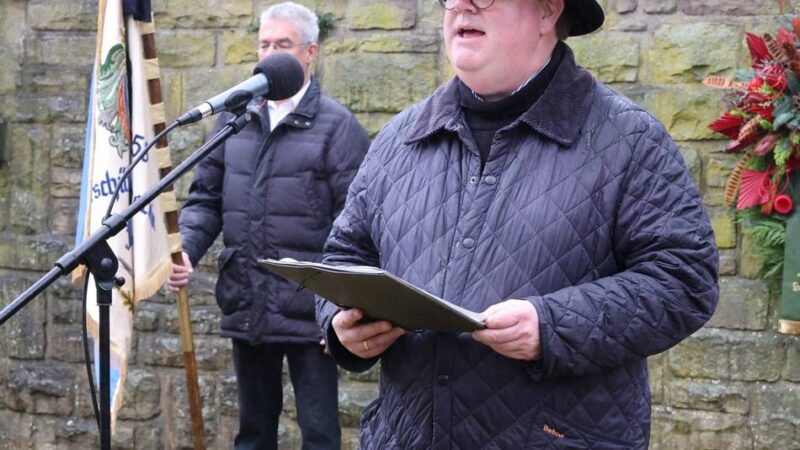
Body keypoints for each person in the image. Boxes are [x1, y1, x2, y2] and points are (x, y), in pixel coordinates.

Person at [315, 0, 719, 448]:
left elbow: (684, 282)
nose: (461, 5)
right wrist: (340, 323)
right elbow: (345, 254)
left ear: (548, 12)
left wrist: (552, 325)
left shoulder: (629, 139)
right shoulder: (400, 138)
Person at [168, 2, 370, 449]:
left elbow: (356, 226)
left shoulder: (338, 127)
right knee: (253, 434)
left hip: (311, 315)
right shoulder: (233, 118)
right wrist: (186, 248)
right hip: (248, 301)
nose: (270, 52)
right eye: (264, 44)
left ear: (310, 52)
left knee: (320, 434)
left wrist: (339, 308)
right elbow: (206, 198)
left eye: (282, 44)